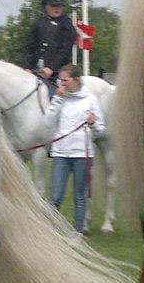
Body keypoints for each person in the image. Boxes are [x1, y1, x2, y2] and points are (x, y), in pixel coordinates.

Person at [45, 63, 105, 234]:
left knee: (80, 196)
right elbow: (47, 122)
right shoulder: (59, 98)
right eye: (60, 80)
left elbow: (101, 130)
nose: (61, 83)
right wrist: (56, 99)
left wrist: (93, 124)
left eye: (65, 80)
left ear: (76, 79)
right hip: (60, 154)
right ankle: (50, 230)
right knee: (56, 196)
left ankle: (78, 231)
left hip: (82, 155)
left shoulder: (91, 100)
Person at [22, 0, 78, 93]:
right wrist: (26, 67)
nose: (57, 9)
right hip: (35, 72)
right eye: (53, 6)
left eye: (59, 6)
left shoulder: (67, 25)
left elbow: (64, 51)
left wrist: (51, 68)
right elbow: (29, 48)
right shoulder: (38, 24)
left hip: (58, 75)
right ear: (45, 6)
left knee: (53, 96)